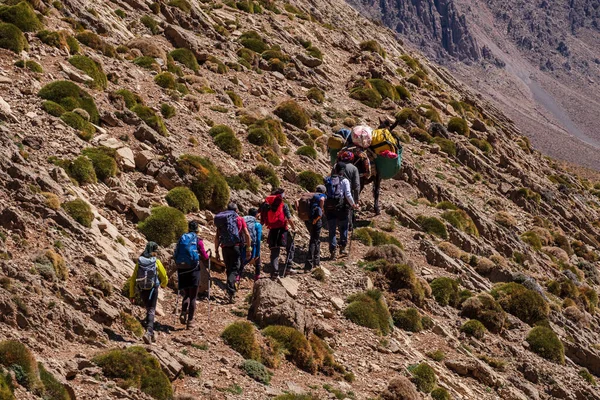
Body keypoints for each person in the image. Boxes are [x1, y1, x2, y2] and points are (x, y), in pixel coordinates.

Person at [129, 241, 168, 344]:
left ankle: (149, 329)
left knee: (148, 307)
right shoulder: (156, 262)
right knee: (151, 309)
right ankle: (149, 332)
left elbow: (133, 279)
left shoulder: (140, 261)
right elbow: (164, 276)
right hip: (153, 289)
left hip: (142, 289)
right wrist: (163, 284)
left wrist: (132, 294)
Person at [174, 221, 209, 329]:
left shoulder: (182, 238)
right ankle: (190, 322)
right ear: (197, 229)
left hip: (182, 269)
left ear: (188, 228)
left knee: (186, 294)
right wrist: (207, 257)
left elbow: (175, 253)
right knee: (193, 296)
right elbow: (204, 256)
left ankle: (183, 312)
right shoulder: (198, 241)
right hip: (194, 270)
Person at [215, 202, 251, 303]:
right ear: (236, 210)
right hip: (236, 247)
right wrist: (249, 249)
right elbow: (247, 234)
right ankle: (230, 293)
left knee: (229, 268)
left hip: (224, 247)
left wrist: (216, 251)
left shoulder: (223, 220)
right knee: (235, 269)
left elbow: (217, 237)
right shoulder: (239, 219)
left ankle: (231, 291)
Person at [260, 188, 296, 278]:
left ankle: (274, 273)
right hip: (283, 230)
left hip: (272, 230)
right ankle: (288, 267)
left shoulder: (267, 204)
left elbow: (262, 218)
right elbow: (289, 218)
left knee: (275, 251)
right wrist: (294, 228)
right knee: (291, 246)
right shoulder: (283, 205)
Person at [325, 163, 358, 258]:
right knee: (343, 227)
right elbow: (347, 194)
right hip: (341, 207)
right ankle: (342, 248)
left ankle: (332, 251)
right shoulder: (345, 181)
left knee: (332, 229)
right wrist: (353, 205)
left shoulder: (328, 179)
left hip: (330, 208)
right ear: (343, 171)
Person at [304, 185, 326, 271]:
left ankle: (316, 262)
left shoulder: (311, 196)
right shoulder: (322, 196)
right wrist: (321, 208)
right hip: (316, 220)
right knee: (313, 241)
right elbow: (322, 200)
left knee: (316, 240)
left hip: (309, 219)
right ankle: (308, 265)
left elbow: (296, 201)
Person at [241, 208, 263, 281]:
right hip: (252, 245)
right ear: (256, 215)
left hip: (241, 243)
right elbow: (258, 240)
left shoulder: (244, 221)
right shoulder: (257, 225)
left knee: (241, 260)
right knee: (257, 260)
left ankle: (236, 277)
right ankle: (257, 278)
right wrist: (257, 253)